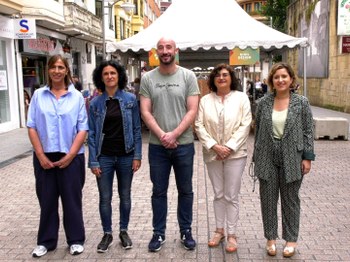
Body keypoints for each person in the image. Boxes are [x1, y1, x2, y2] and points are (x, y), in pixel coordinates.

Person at [140, 37, 200, 252]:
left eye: (168, 47)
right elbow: (145, 111)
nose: (165, 51)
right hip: (157, 147)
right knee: (158, 191)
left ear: (176, 50)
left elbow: (192, 109)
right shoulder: (148, 78)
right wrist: (163, 135)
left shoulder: (188, 76)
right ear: (157, 52)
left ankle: (186, 231)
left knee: (185, 190)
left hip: (183, 145)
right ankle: (158, 233)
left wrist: (174, 134)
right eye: (161, 48)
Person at [27, 54, 88, 257]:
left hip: (72, 156)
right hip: (45, 156)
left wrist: (71, 155)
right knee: (47, 200)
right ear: (48, 70)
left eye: (61, 67)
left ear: (67, 70)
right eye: (53, 67)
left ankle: (76, 240)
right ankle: (46, 241)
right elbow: (32, 126)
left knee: (72, 200)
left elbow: (83, 129)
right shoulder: (38, 95)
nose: (57, 71)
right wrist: (40, 154)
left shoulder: (77, 96)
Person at [253, 62, 315, 258]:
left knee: (290, 200)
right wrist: (256, 157)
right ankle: (270, 239)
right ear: (271, 81)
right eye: (276, 77)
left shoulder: (301, 102)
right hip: (267, 156)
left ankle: (291, 240)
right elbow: (258, 132)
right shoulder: (263, 103)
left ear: (291, 80)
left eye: (284, 77)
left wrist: (307, 157)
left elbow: (308, 131)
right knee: (268, 200)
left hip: (293, 156)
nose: (280, 80)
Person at [194, 64, 252, 253]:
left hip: (235, 154)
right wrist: (214, 146)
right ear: (213, 79)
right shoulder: (205, 100)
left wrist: (229, 147)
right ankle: (219, 231)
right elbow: (199, 125)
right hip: (212, 153)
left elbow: (246, 124)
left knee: (231, 195)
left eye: (225, 74)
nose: (221, 78)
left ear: (231, 77)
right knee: (218, 193)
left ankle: (232, 234)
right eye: (217, 75)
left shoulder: (241, 98)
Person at [88, 60, 142, 252]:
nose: (110, 76)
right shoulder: (95, 103)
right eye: (106, 74)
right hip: (105, 158)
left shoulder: (130, 99)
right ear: (100, 78)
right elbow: (92, 134)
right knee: (105, 197)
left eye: (113, 73)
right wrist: (93, 160)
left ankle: (124, 231)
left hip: (126, 156)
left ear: (119, 76)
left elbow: (136, 129)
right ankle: (107, 233)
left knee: (125, 196)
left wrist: (137, 155)